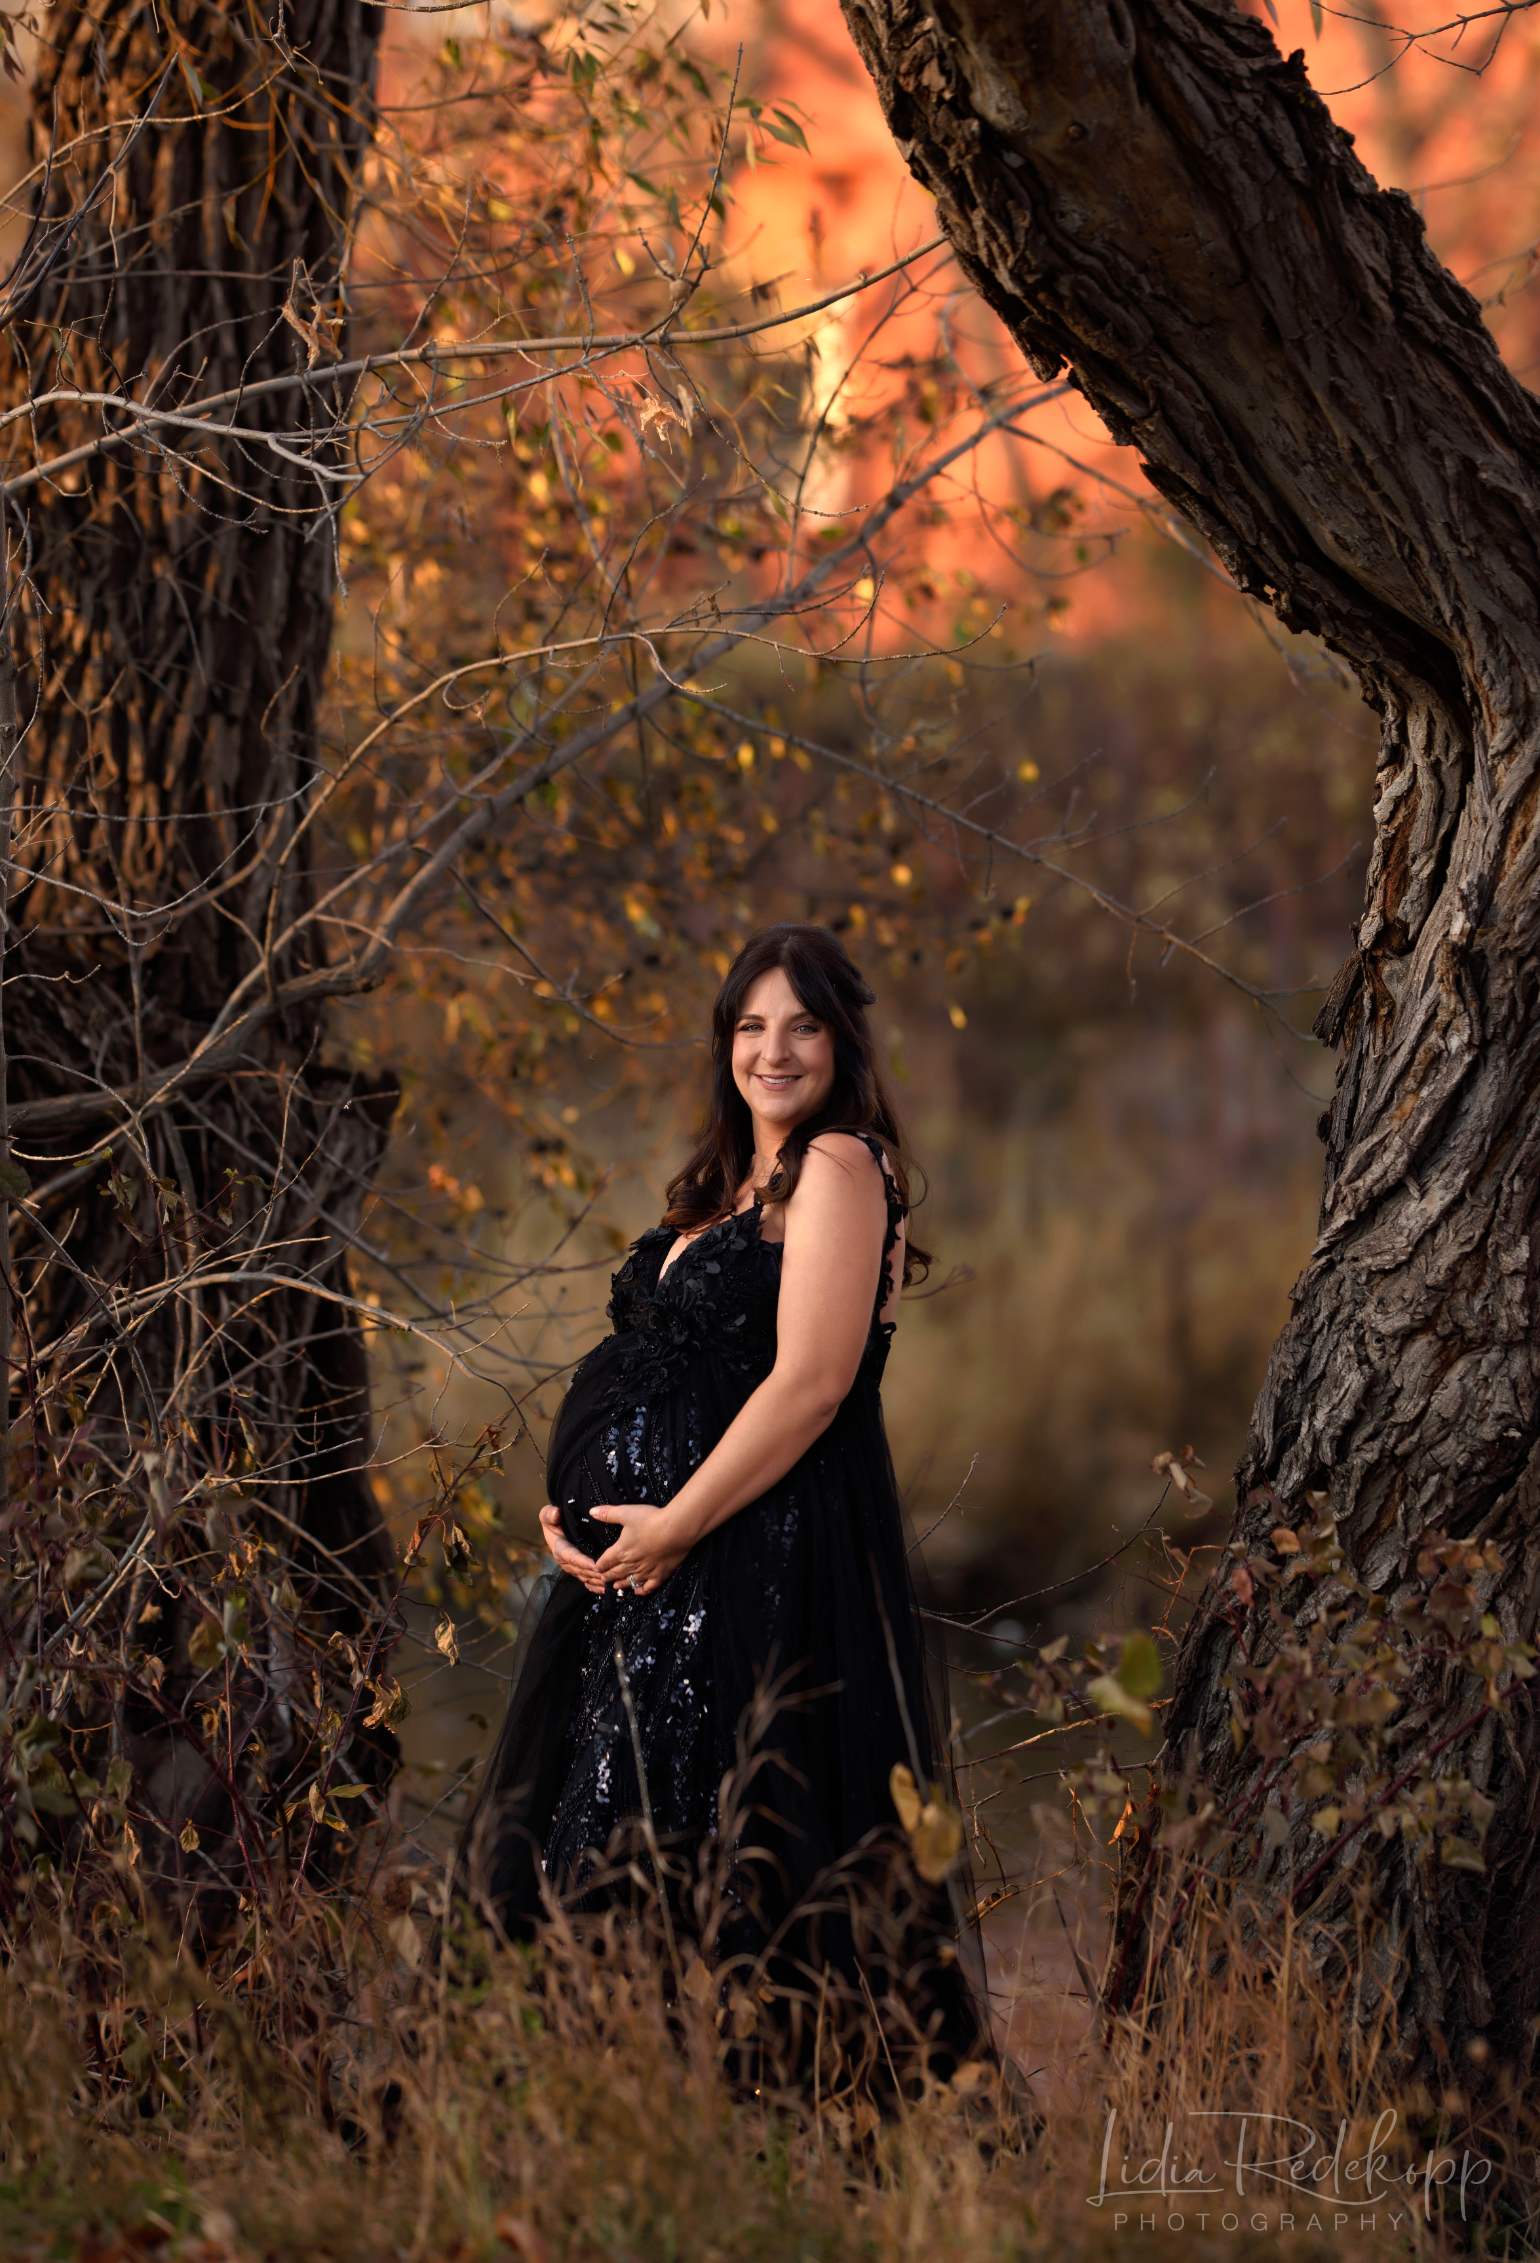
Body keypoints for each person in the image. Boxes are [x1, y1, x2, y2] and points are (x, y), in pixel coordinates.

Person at [449, 921, 1024, 2117]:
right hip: (644, 1581)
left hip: (749, 1566)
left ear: (841, 1041)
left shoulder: (840, 1169)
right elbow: (652, 1372)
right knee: (600, 1842)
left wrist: (674, 1525)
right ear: (724, 1044)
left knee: (736, 1849)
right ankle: (621, 2129)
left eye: (802, 1024)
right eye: (751, 1025)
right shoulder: (719, 1192)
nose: (773, 1049)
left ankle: (791, 2151)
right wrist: (579, 1525)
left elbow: (810, 1380)